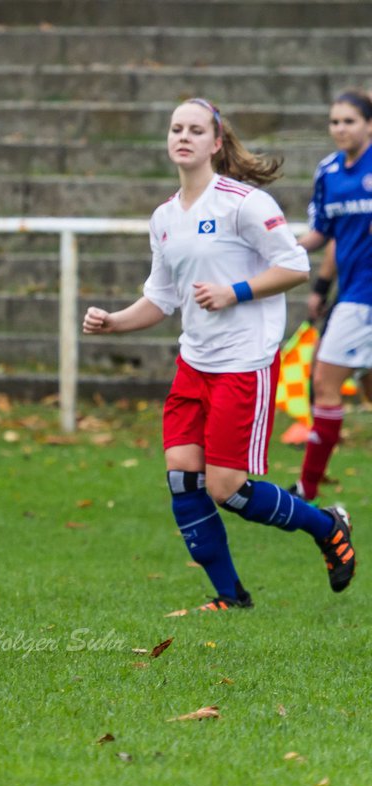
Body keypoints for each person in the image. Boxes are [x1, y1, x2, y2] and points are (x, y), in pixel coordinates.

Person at [82, 97, 356, 611]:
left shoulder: (243, 203)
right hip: (194, 363)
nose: (182, 137)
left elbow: (295, 266)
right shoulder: (164, 217)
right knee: (183, 477)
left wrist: (236, 290)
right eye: (174, 129)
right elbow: (162, 298)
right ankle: (231, 597)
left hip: (243, 364)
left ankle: (327, 526)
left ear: (216, 142)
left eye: (194, 130)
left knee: (227, 488)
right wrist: (115, 321)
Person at [291, 90, 372, 502]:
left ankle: (305, 488)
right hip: (351, 291)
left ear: (369, 125)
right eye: (334, 121)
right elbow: (324, 234)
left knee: (324, 381)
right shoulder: (328, 172)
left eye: (349, 121)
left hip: (363, 298)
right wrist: (278, 251)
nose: (340, 128)